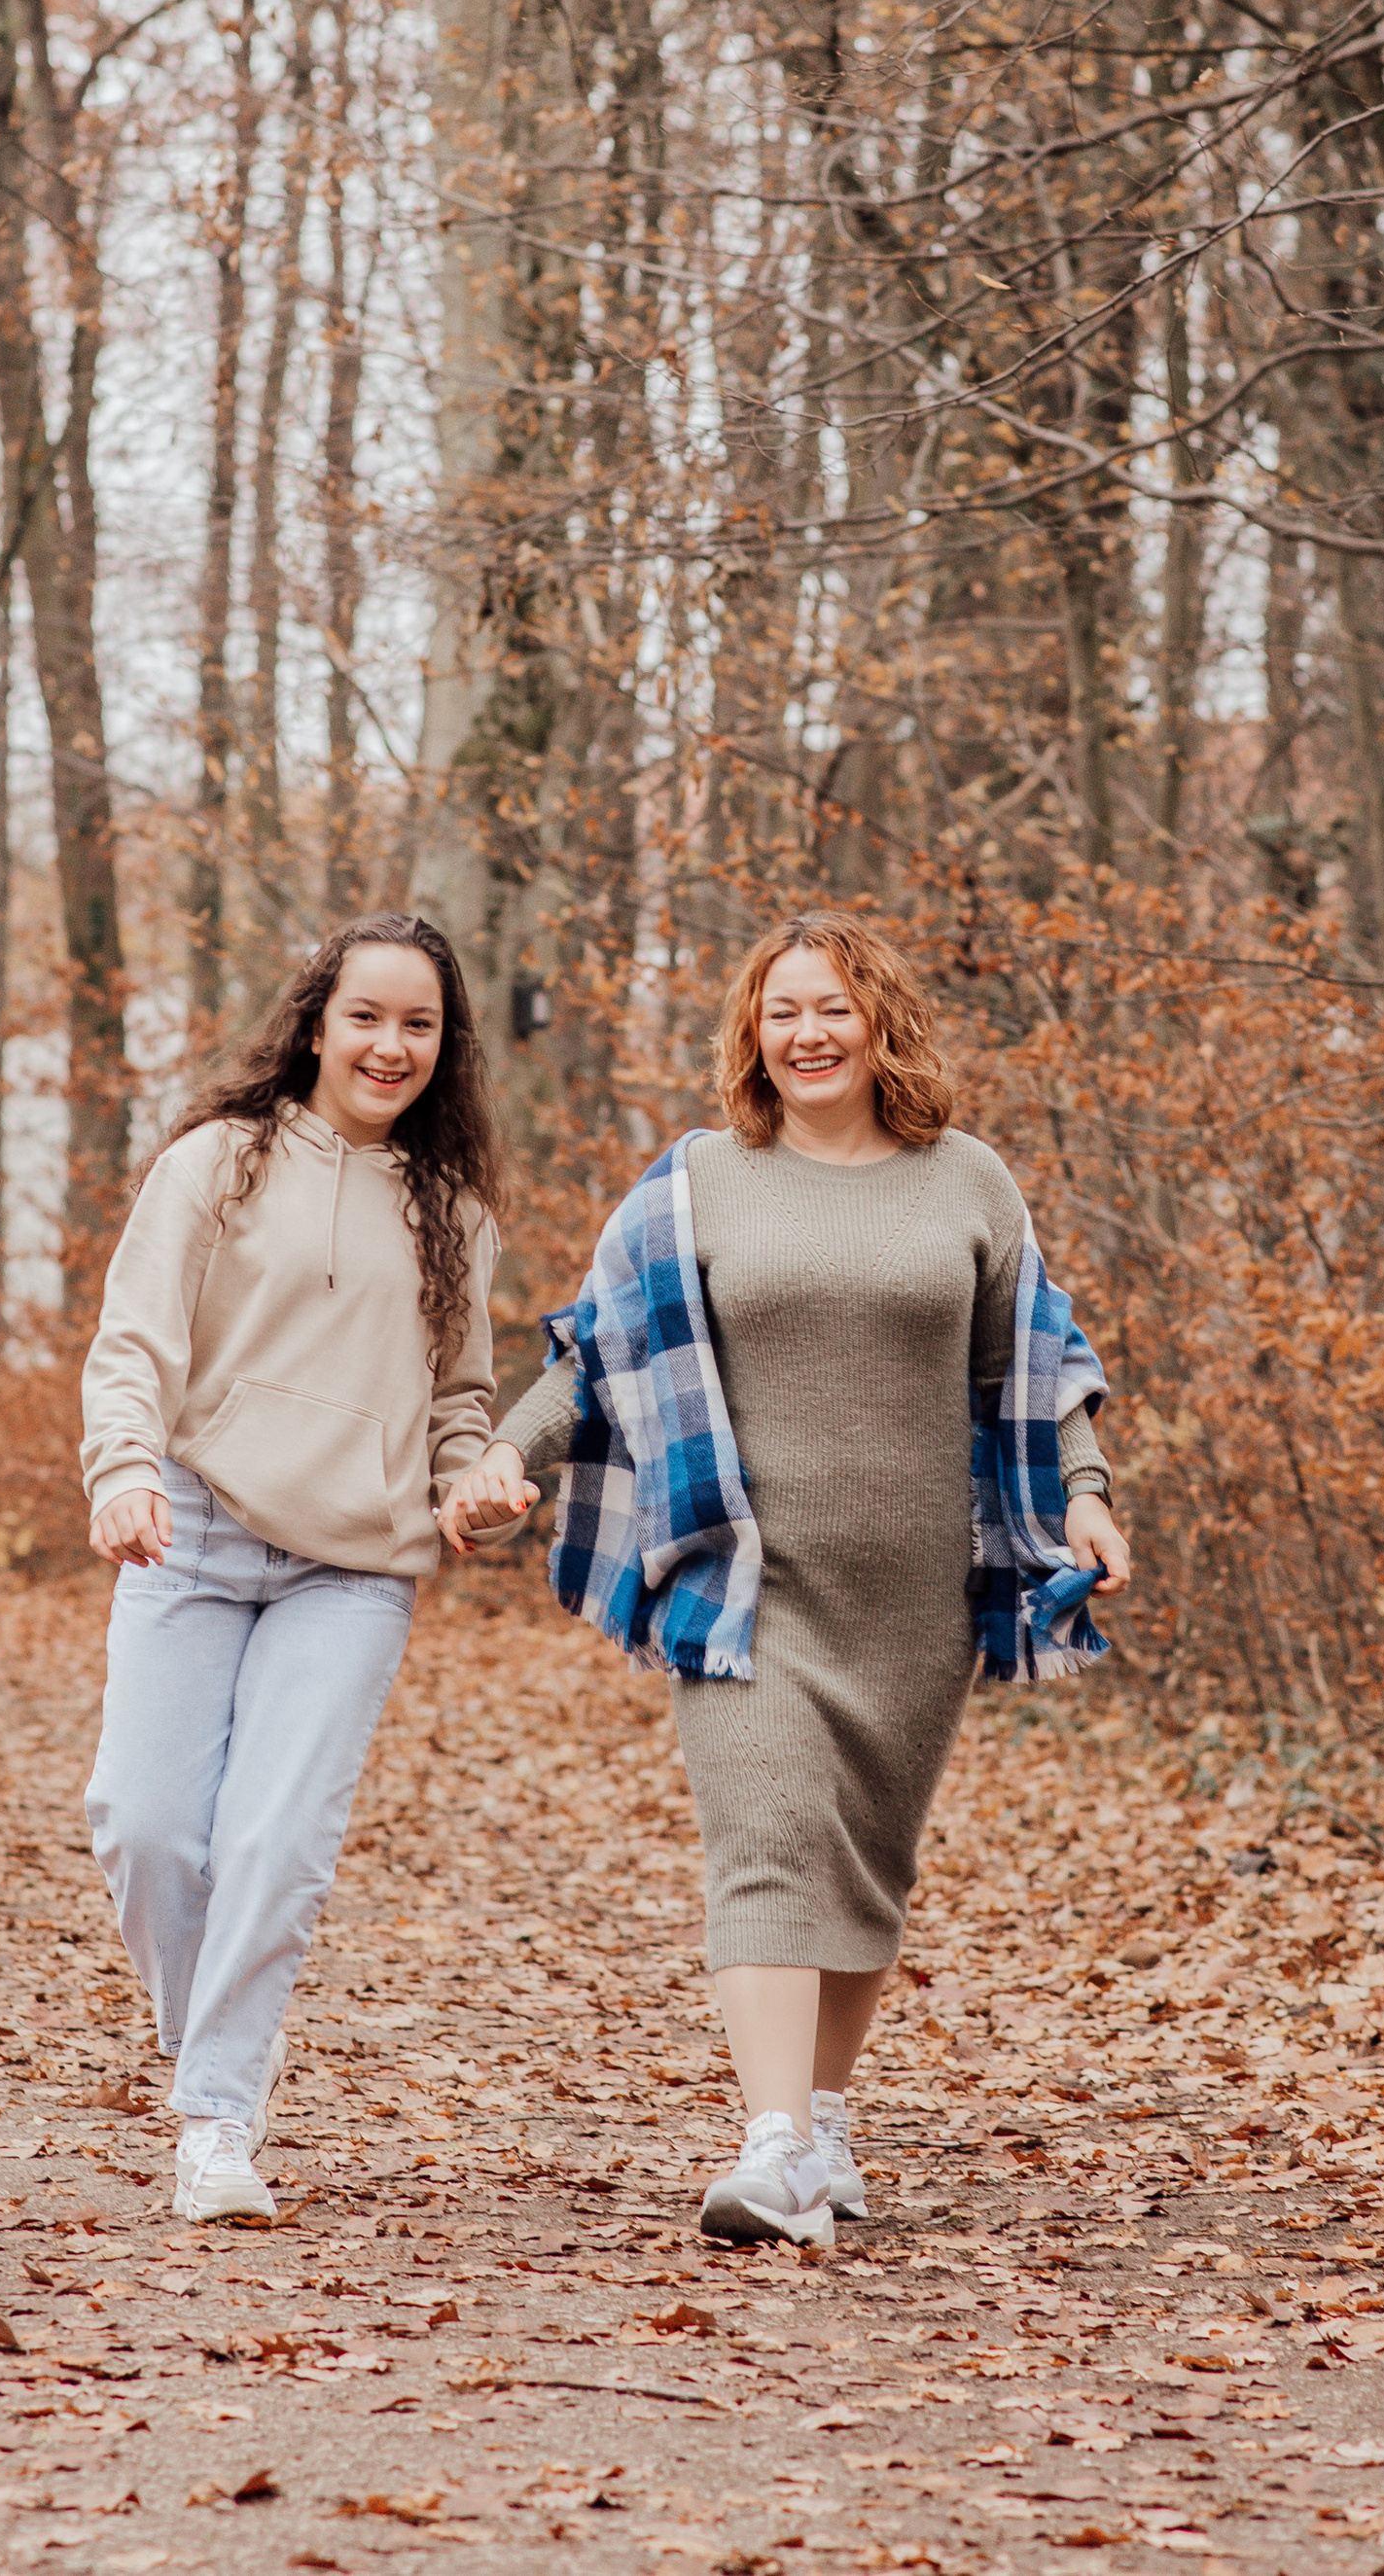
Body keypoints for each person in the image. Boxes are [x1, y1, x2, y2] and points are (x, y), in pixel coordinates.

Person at [437, 911, 1130, 2252]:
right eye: (782, 1010)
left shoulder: (967, 1182)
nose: (808, 1032)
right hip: (741, 1575)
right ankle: (770, 2148)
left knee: (864, 1866)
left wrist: (1090, 1498)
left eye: (833, 1008)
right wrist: (501, 1462)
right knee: (764, 1840)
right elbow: (596, 1356)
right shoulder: (698, 1181)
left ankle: (821, 2116)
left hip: (921, 1599)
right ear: (753, 1034)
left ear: (880, 1023)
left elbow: (1040, 1366)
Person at [81, 914, 501, 2225]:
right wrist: (124, 1468)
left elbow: (462, 1400)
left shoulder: (453, 1213)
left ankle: (217, 2112)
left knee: (275, 1842)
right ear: (316, 1022)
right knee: (142, 1824)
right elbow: (135, 1339)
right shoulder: (216, 1164)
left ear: (444, 1046)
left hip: (352, 1568)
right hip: (191, 1529)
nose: (390, 1044)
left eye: (418, 1024)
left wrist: (467, 1481)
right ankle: (208, 2028)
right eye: (366, 1015)